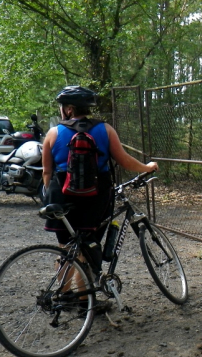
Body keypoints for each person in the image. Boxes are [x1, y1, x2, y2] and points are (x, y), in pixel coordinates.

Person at [42, 86, 157, 291]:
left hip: (61, 197)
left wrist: (51, 196)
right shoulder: (105, 130)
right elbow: (124, 160)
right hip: (95, 198)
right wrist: (146, 167)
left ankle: (63, 295)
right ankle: (85, 299)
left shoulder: (53, 133)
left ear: (69, 110)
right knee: (86, 249)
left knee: (67, 248)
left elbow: (47, 172)